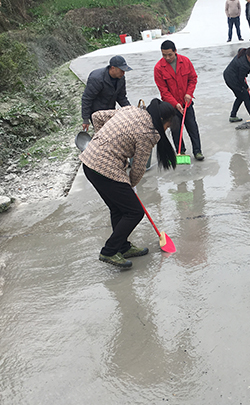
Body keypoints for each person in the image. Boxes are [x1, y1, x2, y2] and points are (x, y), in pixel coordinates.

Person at [79, 99, 177, 268]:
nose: (166, 130)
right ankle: (109, 251)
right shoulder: (149, 133)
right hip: (104, 170)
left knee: (118, 208)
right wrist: (129, 185)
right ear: (161, 121)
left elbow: (97, 116)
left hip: (89, 163)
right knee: (134, 212)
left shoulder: (131, 110)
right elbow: (138, 168)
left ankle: (122, 246)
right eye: (168, 126)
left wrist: (102, 140)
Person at [154, 40, 205, 161]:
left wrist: (189, 93)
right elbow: (163, 91)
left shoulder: (185, 61)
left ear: (175, 51)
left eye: (170, 54)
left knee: (192, 127)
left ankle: (197, 151)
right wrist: (175, 104)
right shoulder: (159, 68)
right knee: (176, 129)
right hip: (172, 106)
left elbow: (193, 79)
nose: (167, 58)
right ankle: (180, 151)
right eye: (164, 55)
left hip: (187, 103)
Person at [81, 55, 132, 132]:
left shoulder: (120, 78)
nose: (123, 73)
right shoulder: (97, 78)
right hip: (97, 113)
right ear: (112, 68)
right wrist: (85, 119)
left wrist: (130, 111)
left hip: (110, 110)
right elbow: (87, 99)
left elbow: (121, 97)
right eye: (121, 70)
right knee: (103, 135)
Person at [223, 46, 250, 122]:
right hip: (232, 80)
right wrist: (246, 87)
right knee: (246, 95)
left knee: (240, 97)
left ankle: (233, 116)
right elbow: (240, 79)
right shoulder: (244, 65)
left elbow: (240, 49)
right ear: (248, 56)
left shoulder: (243, 52)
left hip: (229, 75)